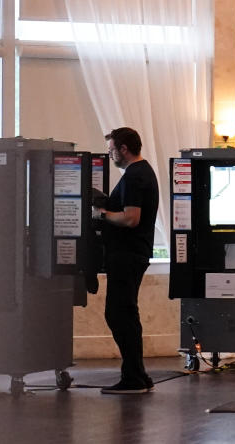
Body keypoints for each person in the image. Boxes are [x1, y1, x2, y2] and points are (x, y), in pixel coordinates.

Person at [95, 126, 159, 394]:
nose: (111, 155)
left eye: (112, 150)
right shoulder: (143, 172)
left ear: (123, 149)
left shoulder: (134, 176)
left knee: (119, 314)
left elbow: (132, 218)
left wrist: (101, 215)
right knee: (125, 313)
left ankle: (132, 378)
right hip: (133, 253)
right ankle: (138, 375)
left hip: (128, 254)